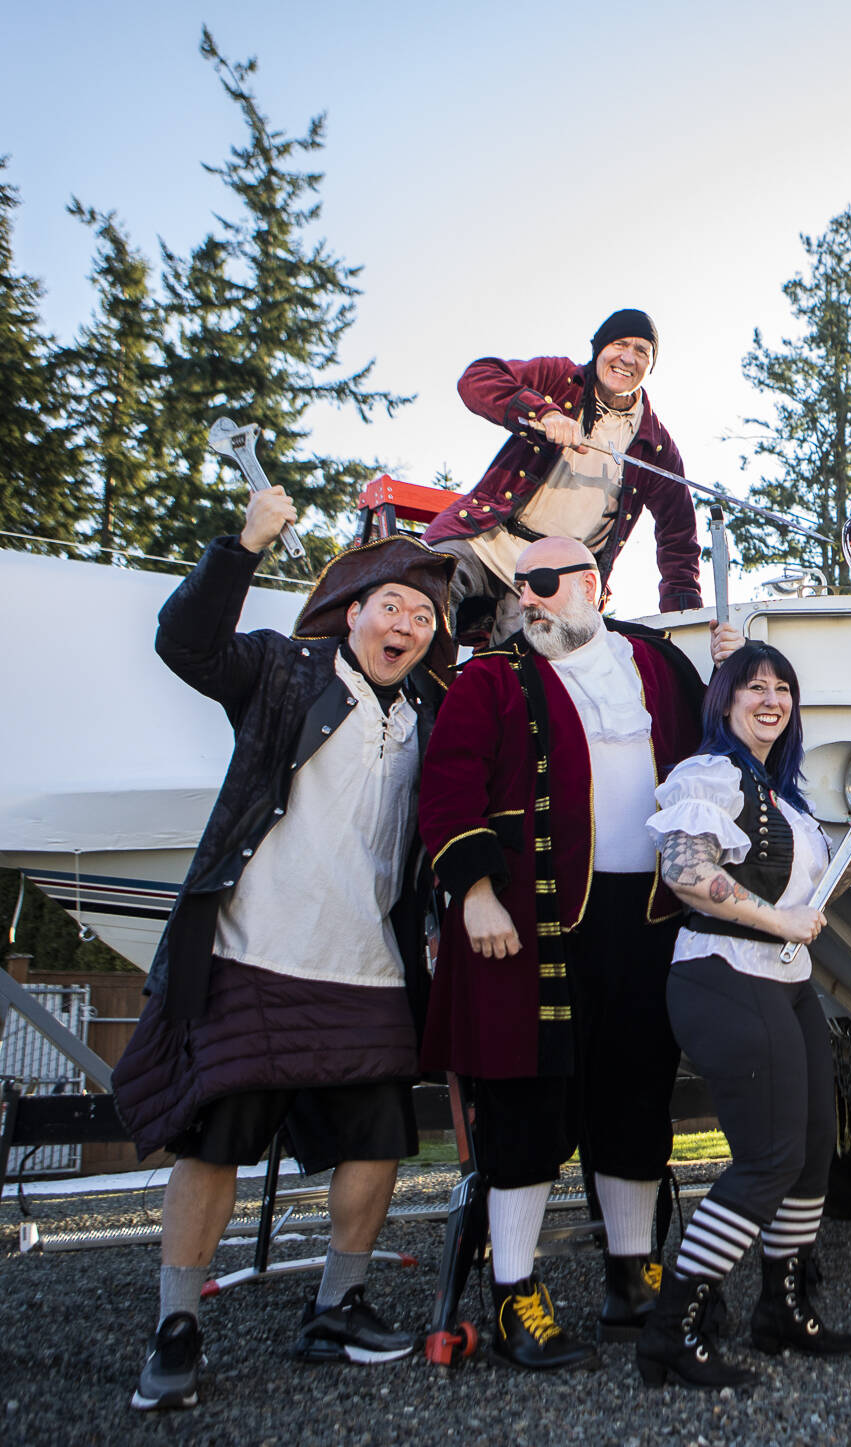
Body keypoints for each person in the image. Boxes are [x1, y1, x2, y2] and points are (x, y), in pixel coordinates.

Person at [111, 486, 457, 1410]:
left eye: (424, 615)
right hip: (254, 952)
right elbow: (184, 644)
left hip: (369, 966)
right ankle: (176, 1324)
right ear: (354, 613)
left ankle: (336, 1306)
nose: (409, 623)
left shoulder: (429, 709)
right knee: (215, 1139)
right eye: (393, 605)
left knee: (384, 1137)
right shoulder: (283, 672)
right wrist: (245, 544)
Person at [416, 535, 708, 1371]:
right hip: (532, 916)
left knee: (636, 1094)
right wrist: (474, 894)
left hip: (647, 915)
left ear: (595, 584)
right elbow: (448, 784)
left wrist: (729, 661)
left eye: (546, 583)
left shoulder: (659, 666)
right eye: (523, 587)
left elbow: (724, 732)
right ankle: (514, 1290)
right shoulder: (492, 678)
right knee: (526, 1102)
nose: (531, 599)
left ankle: (632, 1278)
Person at [634, 642, 851, 1389]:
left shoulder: (786, 798)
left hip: (786, 978)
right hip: (722, 972)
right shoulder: (708, 774)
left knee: (812, 1154)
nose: (771, 698)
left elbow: (813, 907)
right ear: (726, 701)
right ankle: (671, 1331)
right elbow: (684, 873)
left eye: (783, 688)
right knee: (769, 1157)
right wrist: (777, 924)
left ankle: (781, 1308)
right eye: (755, 687)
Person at [424, 308, 702, 643]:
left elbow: (679, 542)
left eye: (642, 351)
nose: (628, 358)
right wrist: (541, 412)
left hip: (553, 575)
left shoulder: (656, 446)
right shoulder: (559, 378)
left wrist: (688, 623)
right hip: (488, 538)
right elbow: (476, 379)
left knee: (524, 671)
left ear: (650, 365)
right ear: (599, 349)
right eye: (619, 344)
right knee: (425, 585)